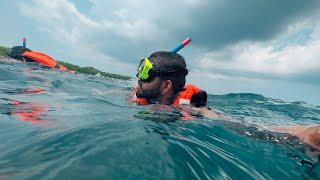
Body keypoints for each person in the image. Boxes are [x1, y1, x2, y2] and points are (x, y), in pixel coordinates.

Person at [132, 51, 320, 152]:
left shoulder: (189, 108)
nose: (139, 79)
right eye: (141, 73)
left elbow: (228, 123)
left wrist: (305, 134)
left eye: (146, 76)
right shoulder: (143, 96)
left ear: (166, 86)